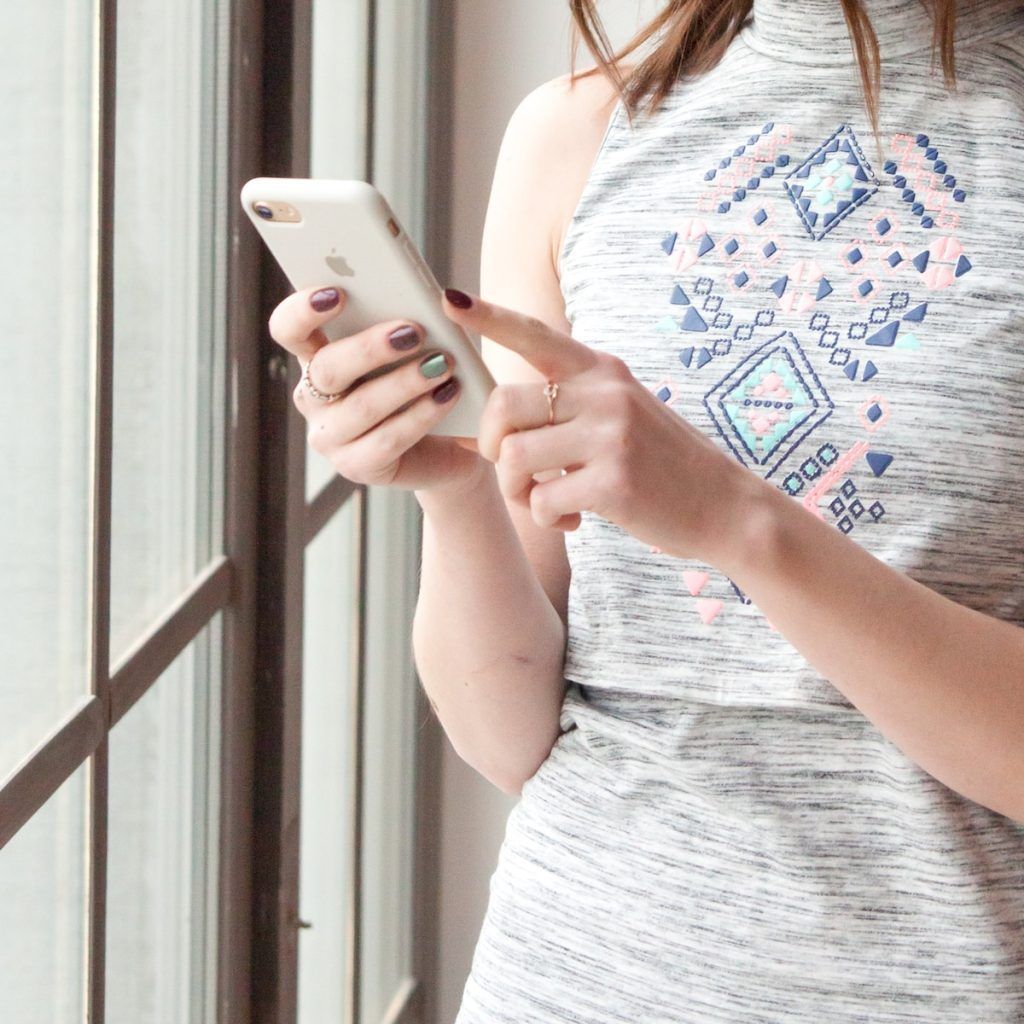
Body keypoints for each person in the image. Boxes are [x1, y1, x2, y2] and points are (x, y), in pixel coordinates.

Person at [268, 0, 1024, 1018]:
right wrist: (456, 493)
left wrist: (735, 523)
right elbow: (510, 740)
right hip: (565, 976)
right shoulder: (575, 134)